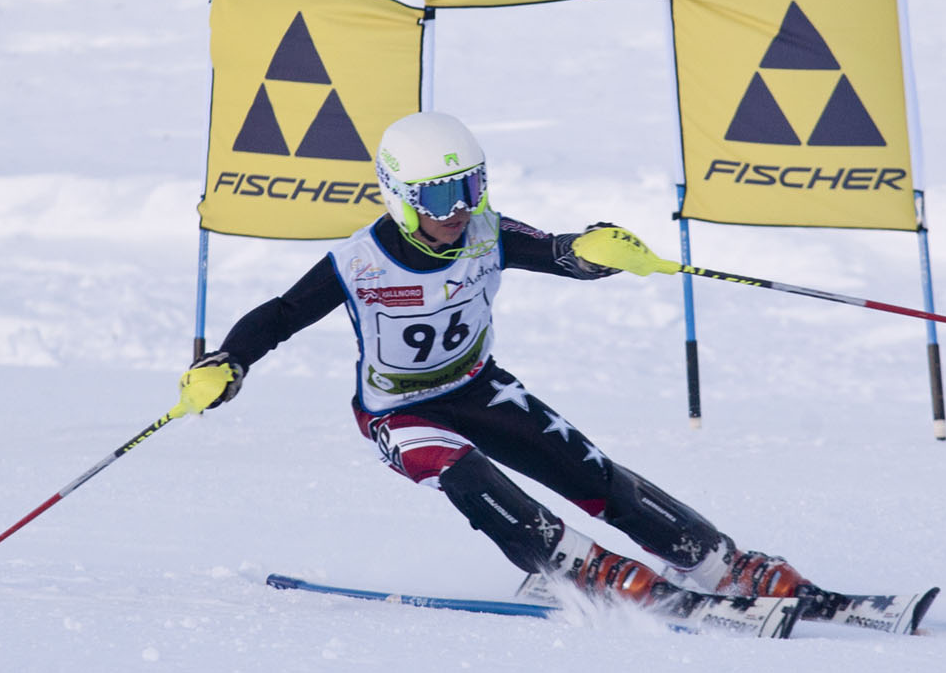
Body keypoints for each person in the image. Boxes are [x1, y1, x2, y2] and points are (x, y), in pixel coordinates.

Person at [180, 111, 812, 608]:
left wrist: (599, 251)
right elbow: (284, 313)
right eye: (438, 197)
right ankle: (578, 568)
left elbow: (562, 253)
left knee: (590, 472)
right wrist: (229, 361)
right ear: (399, 196)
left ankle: (720, 564)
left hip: (481, 390)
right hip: (399, 413)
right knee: (465, 470)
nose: (457, 210)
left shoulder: (488, 231)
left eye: (469, 188)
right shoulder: (358, 261)